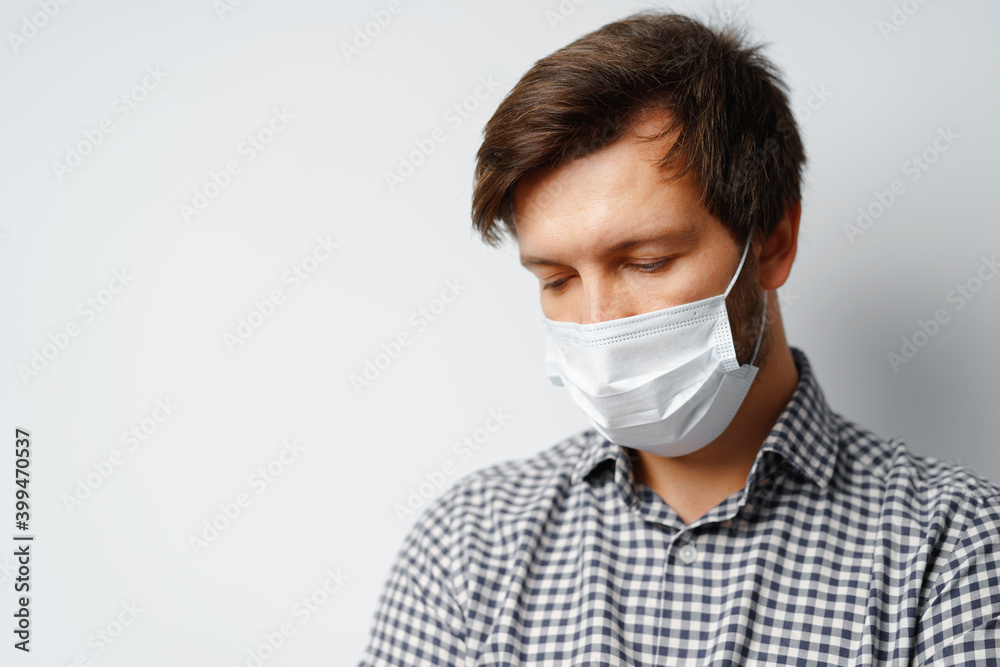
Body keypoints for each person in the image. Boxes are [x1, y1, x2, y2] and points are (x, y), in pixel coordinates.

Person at [359, 10, 1000, 665]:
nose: (597, 320)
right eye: (556, 279)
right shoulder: (466, 546)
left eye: (647, 261)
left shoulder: (955, 549)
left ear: (773, 241)